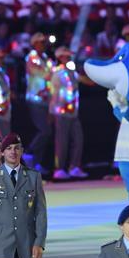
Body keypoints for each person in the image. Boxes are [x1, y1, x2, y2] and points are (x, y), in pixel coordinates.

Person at [50, 46, 86, 180]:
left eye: (69, 55)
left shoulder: (72, 72)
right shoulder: (57, 73)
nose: (69, 57)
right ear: (60, 58)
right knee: (62, 141)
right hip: (61, 112)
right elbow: (53, 94)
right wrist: (52, 112)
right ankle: (59, 169)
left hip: (73, 112)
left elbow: (84, 80)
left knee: (78, 138)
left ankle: (74, 167)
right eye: (66, 56)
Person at [24, 32, 53, 170]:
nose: (43, 45)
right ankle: (29, 152)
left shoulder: (46, 58)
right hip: (35, 99)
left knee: (47, 132)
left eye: (44, 42)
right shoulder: (31, 58)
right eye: (40, 42)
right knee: (44, 130)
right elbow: (44, 74)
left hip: (46, 100)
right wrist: (52, 74)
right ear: (34, 44)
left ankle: (37, 163)